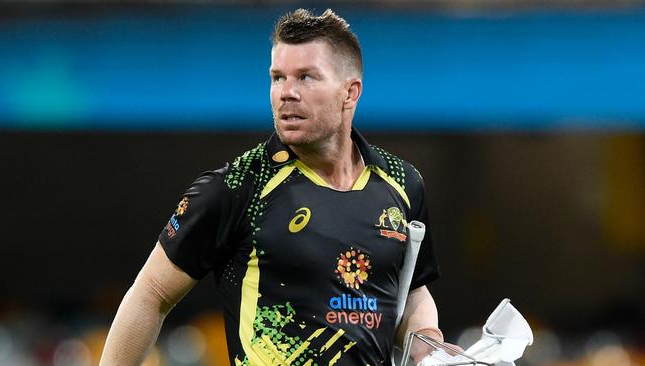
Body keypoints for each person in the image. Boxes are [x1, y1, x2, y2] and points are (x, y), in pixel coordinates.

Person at [101, 8, 453, 366]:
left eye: (305, 77)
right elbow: (151, 293)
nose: (286, 93)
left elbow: (409, 291)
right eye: (277, 77)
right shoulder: (237, 188)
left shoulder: (402, 182)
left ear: (350, 93)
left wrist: (428, 342)